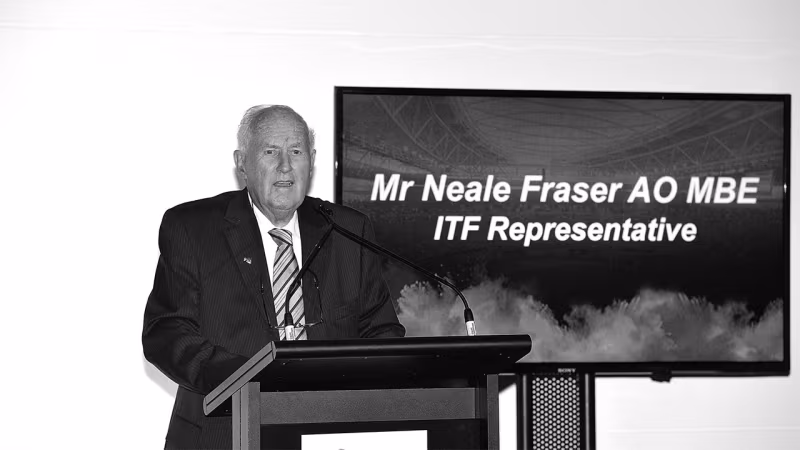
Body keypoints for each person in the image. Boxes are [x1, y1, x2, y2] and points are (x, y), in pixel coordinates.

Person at [142, 105, 405, 449]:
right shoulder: (193, 228)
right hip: (222, 434)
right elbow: (167, 332)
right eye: (270, 152)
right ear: (242, 163)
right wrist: (251, 378)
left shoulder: (348, 230)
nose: (285, 166)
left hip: (326, 434)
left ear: (312, 160)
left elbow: (382, 333)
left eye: (296, 152)